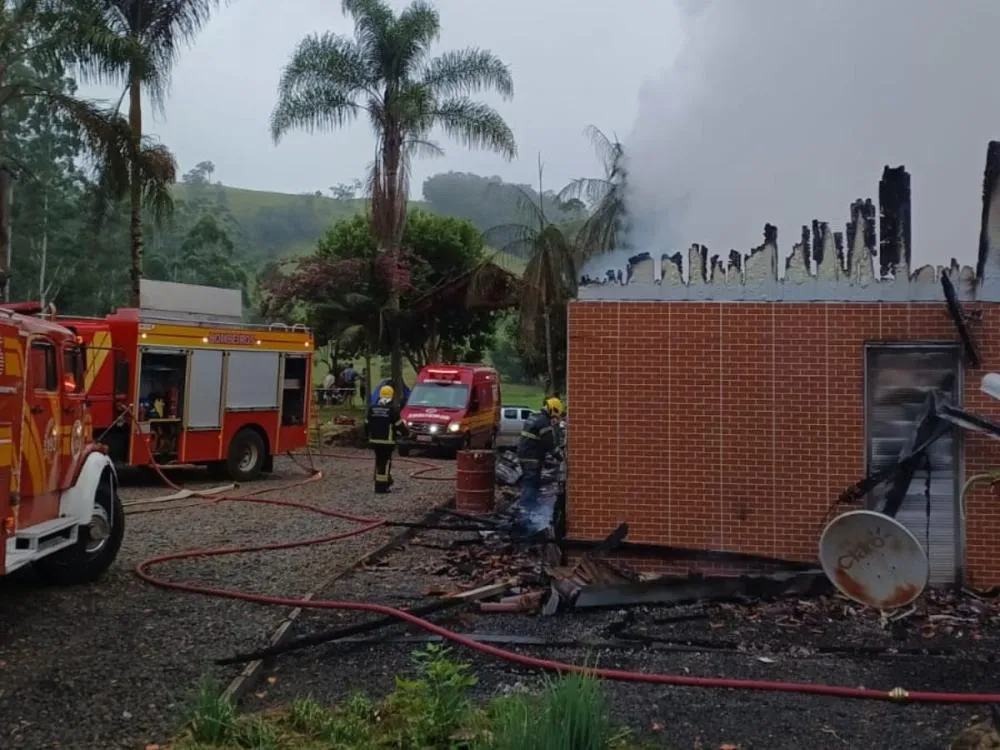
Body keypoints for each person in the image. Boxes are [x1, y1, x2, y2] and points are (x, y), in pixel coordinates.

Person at [516, 396, 564, 510]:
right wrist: (561, 457)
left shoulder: (534, 416)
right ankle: (525, 509)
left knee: (529, 481)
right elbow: (550, 445)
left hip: (524, 454)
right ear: (553, 409)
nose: (554, 418)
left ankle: (529, 506)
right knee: (531, 483)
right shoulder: (544, 422)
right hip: (532, 457)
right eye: (555, 415)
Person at [365, 384, 409, 493]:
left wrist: (368, 437)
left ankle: (382, 482)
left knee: (379, 461)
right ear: (392, 396)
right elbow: (399, 425)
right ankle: (381, 487)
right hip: (387, 441)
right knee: (385, 462)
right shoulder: (392, 410)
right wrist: (407, 434)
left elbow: (366, 425)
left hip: (375, 441)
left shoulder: (372, 409)